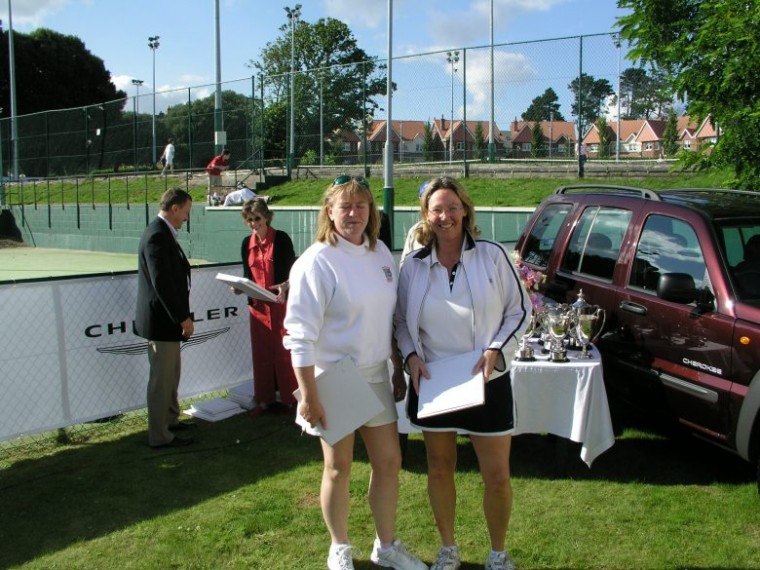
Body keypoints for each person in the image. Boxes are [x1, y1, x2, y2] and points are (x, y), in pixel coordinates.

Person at [284, 175, 427, 570]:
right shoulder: (315, 262)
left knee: (389, 462)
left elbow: (389, 318)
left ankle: (386, 546)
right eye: (344, 206)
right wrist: (309, 395)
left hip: (376, 373)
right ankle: (340, 547)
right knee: (338, 468)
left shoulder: (380, 253)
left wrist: (395, 368)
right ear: (329, 211)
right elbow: (299, 336)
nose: (353, 213)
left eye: (361, 205)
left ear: (371, 211)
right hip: (335, 378)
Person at [394, 176, 532, 570]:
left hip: (487, 381)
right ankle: (448, 549)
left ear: (465, 210)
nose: (445, 216)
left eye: (452, 207)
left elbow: (519, 311)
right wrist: (410, 357)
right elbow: (400, 321)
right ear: (426, 214)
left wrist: (495, 350)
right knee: (439, 469)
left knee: (497, 475)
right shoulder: (413, 266)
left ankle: (498, 553)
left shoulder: (493, 255)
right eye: (437, 209)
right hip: (434, 382)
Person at [134, 187, 197, 449]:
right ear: (174, 208)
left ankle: (170, 420)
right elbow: (162, 283)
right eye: (186, 211)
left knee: (171, 375)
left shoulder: (163, 233)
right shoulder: (156, 235)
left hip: (169, 322)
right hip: (162, 323)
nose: (187, 217)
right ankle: (160, 435)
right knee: (162, 380)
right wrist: (182, 318)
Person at [235, 198, 298, 417]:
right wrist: (239, 287)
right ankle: (264, 399)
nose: (253, 223)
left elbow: (293, 272)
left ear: (266, 217)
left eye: (257, 218)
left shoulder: (281, 239)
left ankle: (290, 399)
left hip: (280, 306)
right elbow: (247, 276)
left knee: (284, 353)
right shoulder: (246, 243)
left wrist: (285, 285)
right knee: (261, 355)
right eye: (249, 220)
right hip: (258, 309)